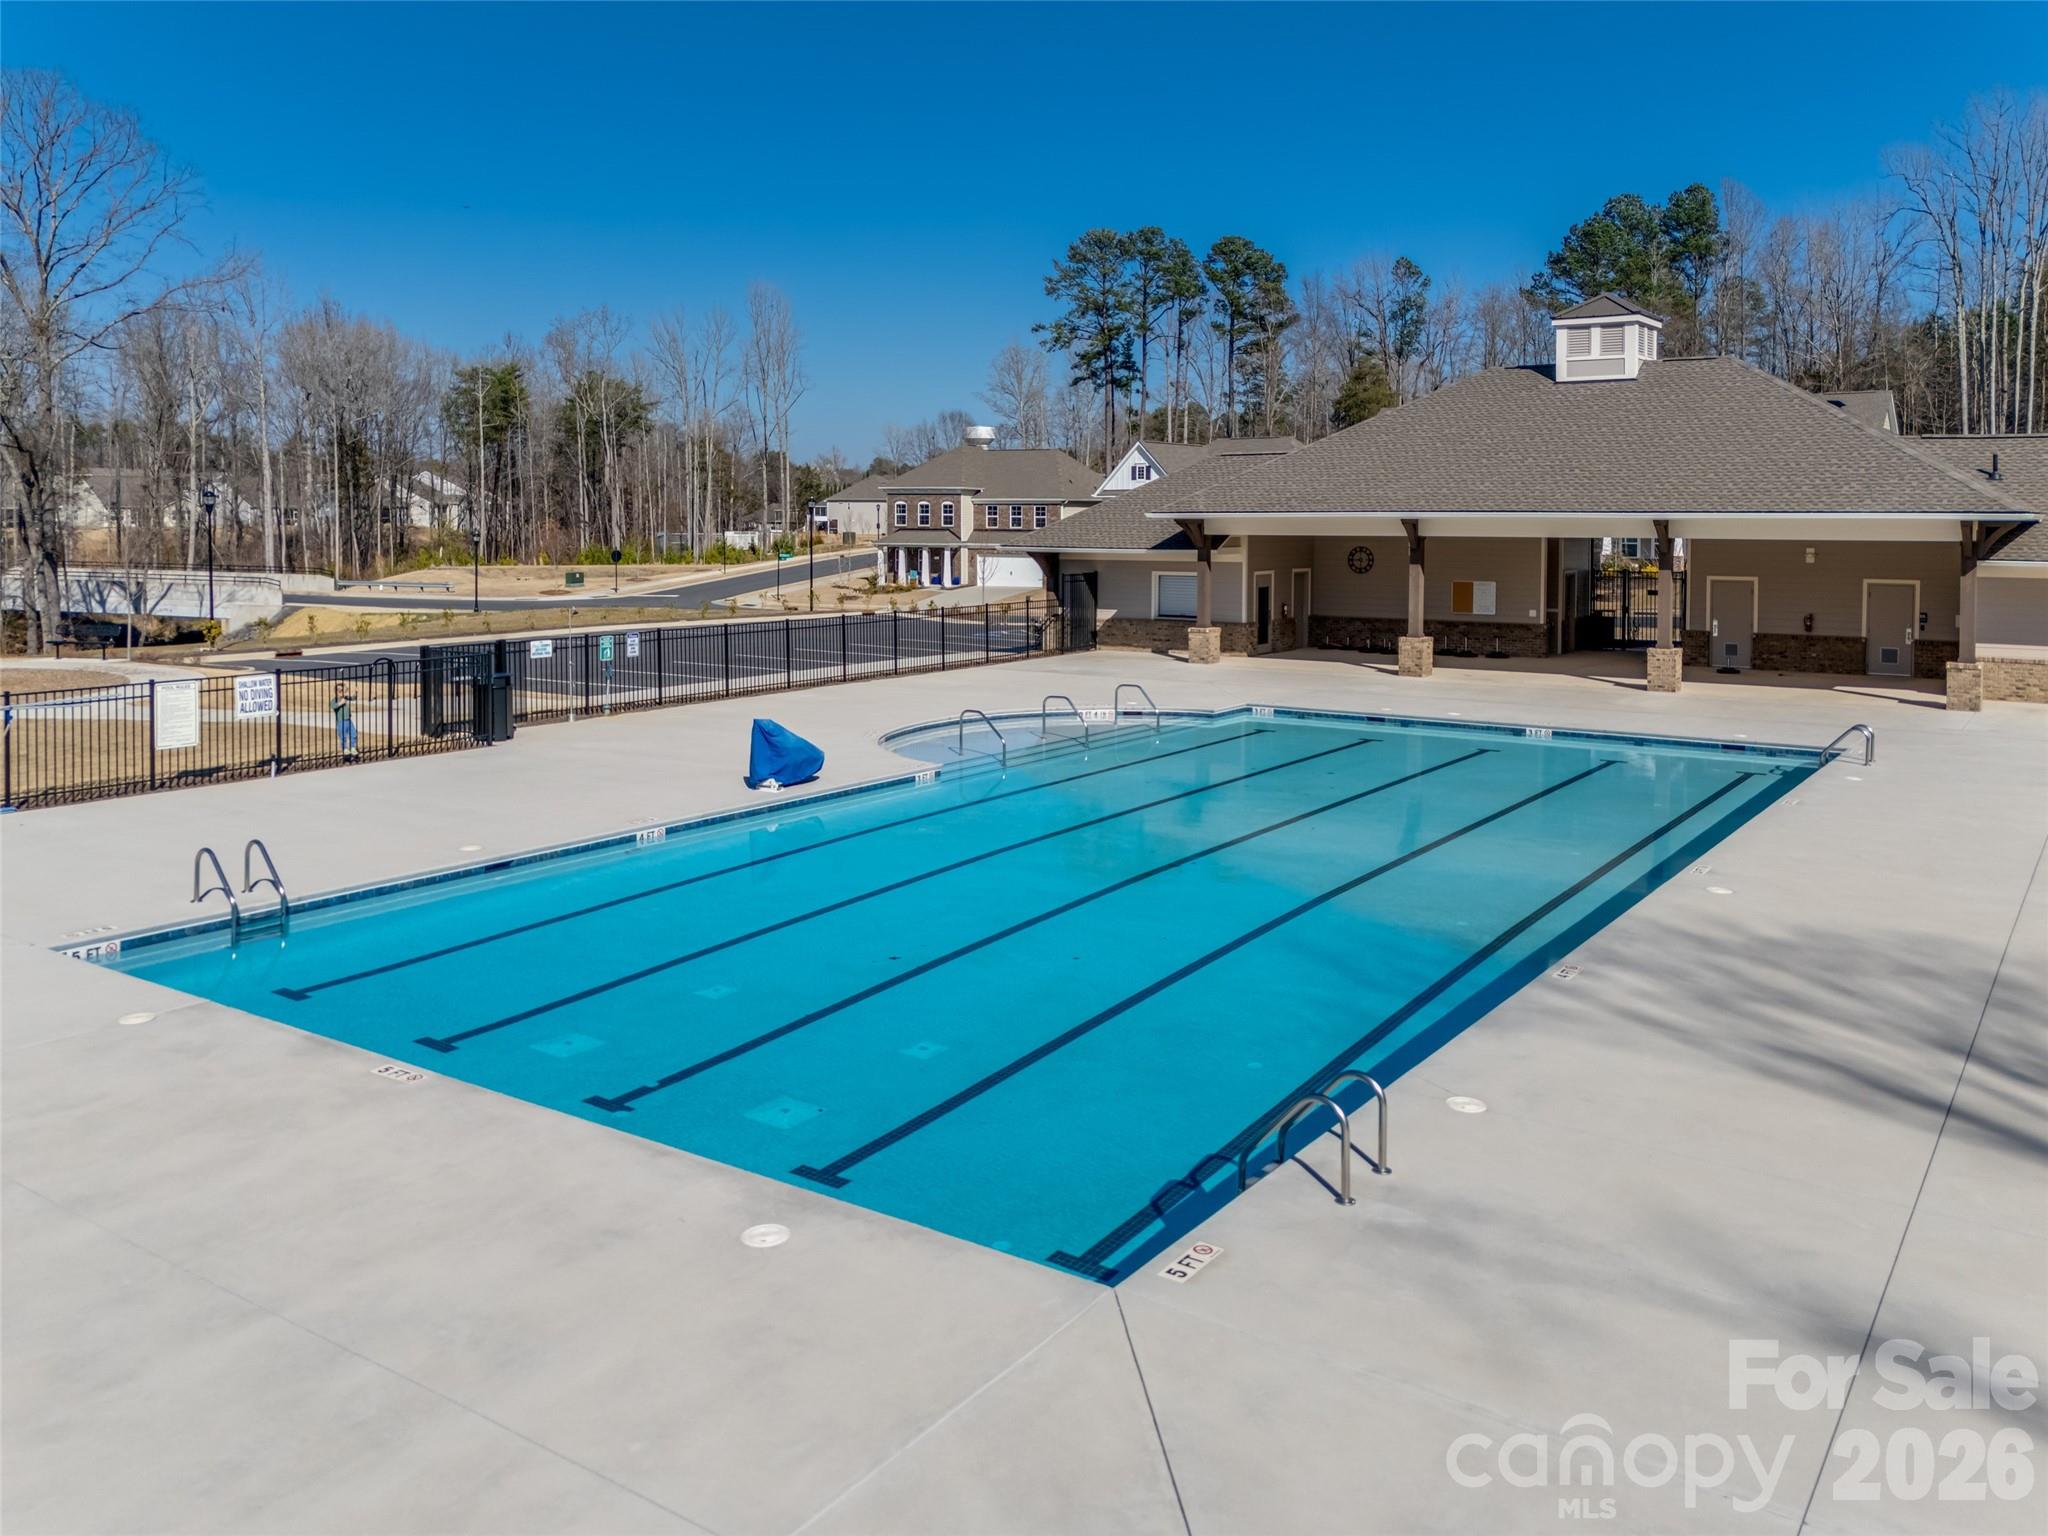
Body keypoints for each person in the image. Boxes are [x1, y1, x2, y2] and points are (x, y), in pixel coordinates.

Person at [331, 681, 358, 760]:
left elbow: (353, 698)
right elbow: (333, 706)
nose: (342, 693)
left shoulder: (345, 697)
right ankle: (345, 750)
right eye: (340, 691)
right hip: (341, 721)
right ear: (337, 692)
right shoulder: (334, 700)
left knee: (353, 733)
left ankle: (353, 748)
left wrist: (356, 692)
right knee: (343, 736)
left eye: (343, 691)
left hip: (348, 720)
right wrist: (341, 703)